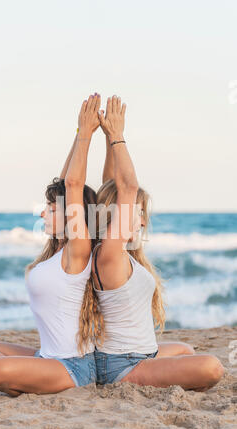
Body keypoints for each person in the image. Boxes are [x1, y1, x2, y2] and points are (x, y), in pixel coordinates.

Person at [0, 93, 103, 397]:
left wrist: (87, 136)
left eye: (52, 209)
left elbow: (73, 186)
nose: (43, 212)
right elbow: (66, 182)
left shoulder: (77, 252)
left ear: (72, 215)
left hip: (73, 366)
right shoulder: (56, 251)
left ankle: (28, 377)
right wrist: (77, 133)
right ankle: (32, 374)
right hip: (47, 357)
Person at [91, 95, 224, 392]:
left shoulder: (122, 252)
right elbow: (126, 187)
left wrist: (108, 142)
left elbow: (111, 184)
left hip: (141, 354)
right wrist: (117, 137)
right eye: (138, 213)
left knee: (186, 350)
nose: (141, 222)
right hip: (120, 365)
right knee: (211, 367)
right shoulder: (108, 254)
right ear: (117, 215)